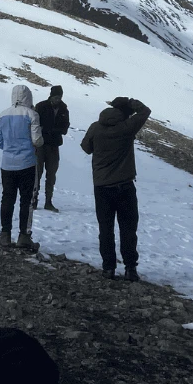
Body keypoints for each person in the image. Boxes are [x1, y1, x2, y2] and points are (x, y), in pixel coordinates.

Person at [80, 97, 151, 281]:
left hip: (102, 187)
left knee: (106, 229)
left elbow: (86, 147)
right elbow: (145, 112)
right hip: (125, 186)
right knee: (128, 229)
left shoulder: (96, 127)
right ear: (125, 112)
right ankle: (130, 269)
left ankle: (108, 268)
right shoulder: (127, 127)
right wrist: (132, 102)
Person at [0, 84, 43, 248]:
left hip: (7, 164)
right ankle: (24, 236)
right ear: (28, 97)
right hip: (27, 163)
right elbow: (37, 140)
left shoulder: (2, 115)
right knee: (26, 200)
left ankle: (5, 234)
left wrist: (10, 149)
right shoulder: (32, 114)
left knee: (7, 198)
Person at [33, 85, 70, 211]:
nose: (57, 99)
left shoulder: (64, 109)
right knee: (37, 173)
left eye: (59, 97)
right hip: (40, 144)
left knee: (51, 174)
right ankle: (34, 199)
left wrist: (50, 129)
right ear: (51, 96)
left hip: (54, 145)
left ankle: (48, 201)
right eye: (56, 97)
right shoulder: (41, 106)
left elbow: (65, 127)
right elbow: (35, 124)